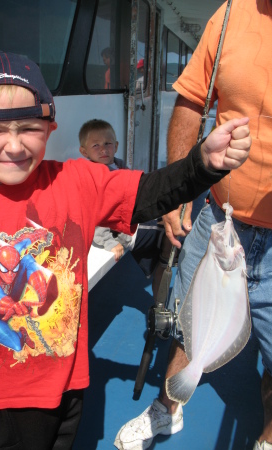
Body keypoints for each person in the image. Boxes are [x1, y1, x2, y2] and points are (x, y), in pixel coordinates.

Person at [0, 50, 250, 450]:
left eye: (28, 127)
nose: (13, 146)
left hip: (68, 384)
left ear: (50, 128)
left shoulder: (76, 181)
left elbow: (148, 193)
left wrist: (203, 164)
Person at [114, 1, 272, 450]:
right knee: (186, 318)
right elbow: (191, 100)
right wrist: (179, 193)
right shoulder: (229, 15)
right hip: (220, 216)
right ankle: (168, 407)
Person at [79, 118, 165, 296]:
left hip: (131, 217)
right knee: (167, 234)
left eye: (108, 143)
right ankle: (159, 282)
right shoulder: (93, 177)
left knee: (167, 221)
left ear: (116, 146)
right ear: (84, 151)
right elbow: (95, 216)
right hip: (116, 231)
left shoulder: (118, 165)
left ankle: (157, 268)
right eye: (96, 145)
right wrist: (110, 242)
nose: (103, 149)